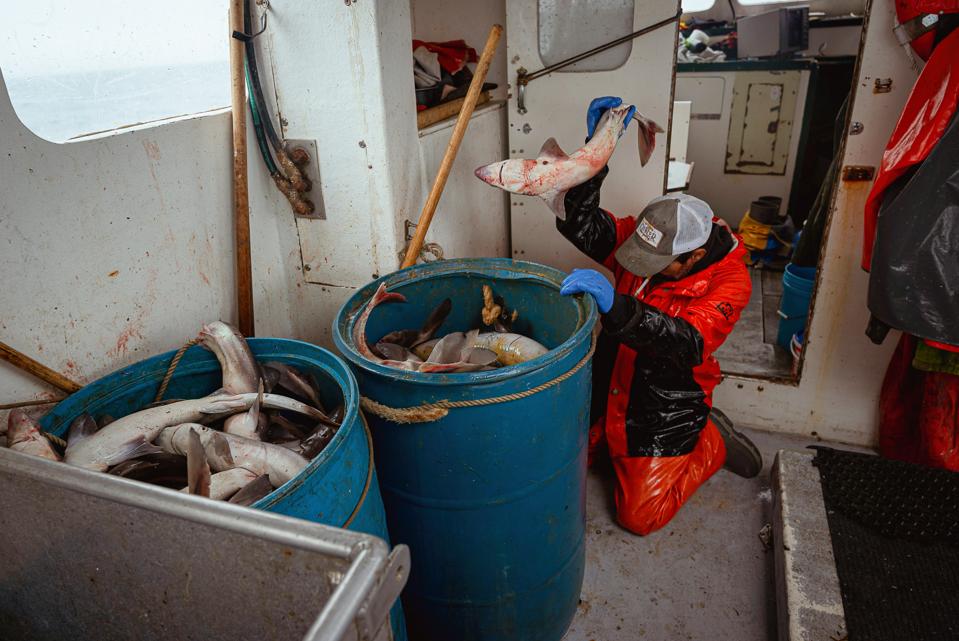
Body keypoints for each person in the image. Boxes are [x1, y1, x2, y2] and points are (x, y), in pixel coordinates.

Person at [556, 96, 762, 536]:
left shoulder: (732, 283)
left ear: (695, 257)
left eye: (657, 264)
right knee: (558, 465)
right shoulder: (653, 236)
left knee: (640, 517)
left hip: (663, 399)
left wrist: (618, 306)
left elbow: (686, 343)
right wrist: (596, 153)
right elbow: (583, 226)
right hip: (609, 381)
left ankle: (710, 440)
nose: (637, 265)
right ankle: (613, 442)